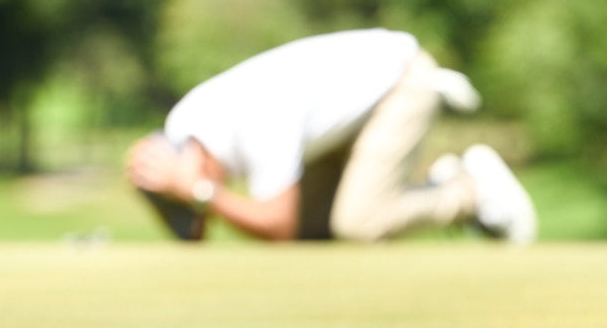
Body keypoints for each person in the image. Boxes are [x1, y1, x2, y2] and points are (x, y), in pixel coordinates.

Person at [124, 28, 537, 244]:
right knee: (312, 229)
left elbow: (278, 228)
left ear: (193, 164)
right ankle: (439, 183)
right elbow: (196, 236)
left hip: (401, 80)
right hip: (341, 125)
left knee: (357, 224)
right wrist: (182, 190)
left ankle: (469, 191)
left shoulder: (251, 120)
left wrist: (198, 191)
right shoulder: (184, 128)